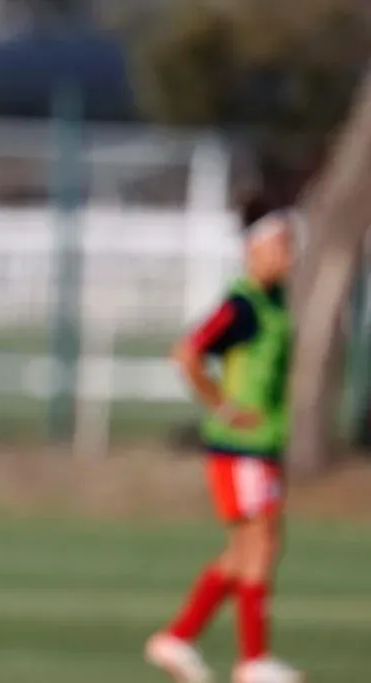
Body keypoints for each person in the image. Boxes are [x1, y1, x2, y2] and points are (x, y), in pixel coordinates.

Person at [145, 198, 303, 683]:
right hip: (240, 448)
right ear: (254, 249)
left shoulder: (274, 302)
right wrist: (224, 406)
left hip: (264, 444)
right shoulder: (243, 305)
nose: (289, 256)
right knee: (258, 545)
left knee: (250, 551)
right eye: (280, 246)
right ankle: (252, 661)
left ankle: (179, 639)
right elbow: (188, 353)